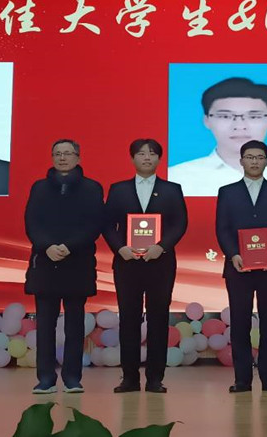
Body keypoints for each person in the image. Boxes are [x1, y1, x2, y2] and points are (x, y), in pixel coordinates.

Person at [103, 139, 188, 393]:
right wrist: (120, 248)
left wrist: (161, 246)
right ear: (132, 159)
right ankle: (129, 378)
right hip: (127, 263)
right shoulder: (118, 190)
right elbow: (106, 224)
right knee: (128, 319)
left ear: (160, 159)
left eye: (152, 154)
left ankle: (155, 378)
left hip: (160, 262)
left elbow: (180, 223)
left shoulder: (172, 190)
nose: (147, 158)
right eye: (141, 154)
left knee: (158, 319)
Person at [23, 139, 104, 394]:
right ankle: (45, 378)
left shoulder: (92, 188)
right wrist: (47, 246)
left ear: (78, 157)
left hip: (77, 262)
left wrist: (69, 246)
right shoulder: (40, 188)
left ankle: (72, 378)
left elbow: (94, 224)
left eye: (68, 153)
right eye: (57, 153)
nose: (62, 158)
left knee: (75, 325)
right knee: (45, 326)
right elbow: (32, 222)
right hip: (46, 263)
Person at [215, 140, 267, 393]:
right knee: (240, 324)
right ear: (241, 161)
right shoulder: (227, 192)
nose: (255, 161)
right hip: (238, 269)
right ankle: (242, 380)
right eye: (250, 157)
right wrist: (233, 254)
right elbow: (222, 228)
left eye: (259, 157)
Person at [168, 77, 267, 197]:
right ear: (206, 121)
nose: (239, 126)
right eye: (225, 116)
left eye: (254, 116)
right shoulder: (177, 177)